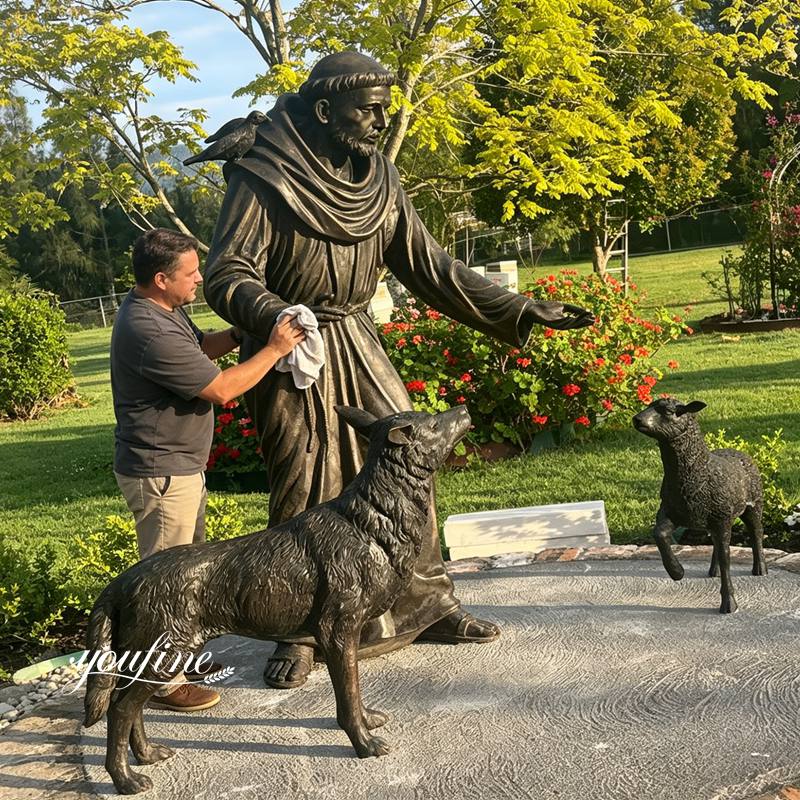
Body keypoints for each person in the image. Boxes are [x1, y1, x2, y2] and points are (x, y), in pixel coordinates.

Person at [203, 51, 594, 690]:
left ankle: (427, 603)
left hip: (358, 338)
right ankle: (299, 632)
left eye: (385, 108)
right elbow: (227, 272)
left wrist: (519, 307)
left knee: (407, 468)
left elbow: (432, 268)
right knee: (306, 486)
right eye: (369, 109)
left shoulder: (380, 180)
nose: (382, 120)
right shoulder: (263, 176)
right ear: (326, 110)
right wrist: (276, 316)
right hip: (293, 353)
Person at [111, 227, 305, 710]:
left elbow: (203, 350)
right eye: (191, 273)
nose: (199, 279)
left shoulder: (166, 311)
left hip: (178, 467)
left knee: (184, 565)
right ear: (161, 278)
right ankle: (162, 683)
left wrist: (243, 329)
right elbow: (220, 388)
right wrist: (275, 349)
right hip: (161, 473)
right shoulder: (147, 329)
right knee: (165, 580)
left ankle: (176, 658)